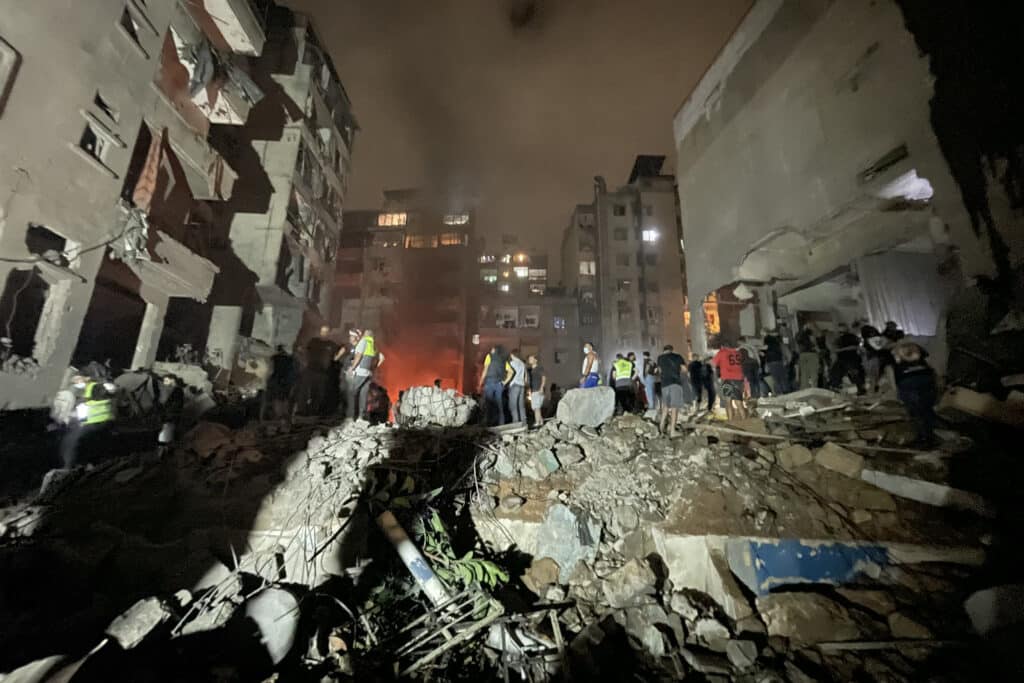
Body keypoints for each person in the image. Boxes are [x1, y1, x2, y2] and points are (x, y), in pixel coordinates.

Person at [60, 373, 117, 468]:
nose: (76, 382)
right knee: (91, 442)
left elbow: (86, 405)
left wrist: (79, 419)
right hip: (104, 420)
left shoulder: (94, 386)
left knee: (70, 441)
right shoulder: (88, 389)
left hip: (97, 420)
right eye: (74, 381)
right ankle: (93, 463)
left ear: (86, 377)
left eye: (78, 379)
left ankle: (68, 468)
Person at [892, 341, 938, 447]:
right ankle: (929, 434)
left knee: (916, 412)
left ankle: (924, 439)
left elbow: (896, 380)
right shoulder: (922, 359)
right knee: (926, 409)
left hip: (908, 382)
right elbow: (933, 373)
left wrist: (899, 395)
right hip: (926, 380)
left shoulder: (898, 358)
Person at [302, 326, 341, 415]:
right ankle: (305, 410)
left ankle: (316, 411)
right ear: (320, 332)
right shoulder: (314, 342)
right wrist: (304, 362)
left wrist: (341, 352)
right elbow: (305, 351)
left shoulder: (331, 344)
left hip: (323, 372)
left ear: (329, 333)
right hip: (311, 370)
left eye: (326, 332)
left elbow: (335, 358)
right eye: (323, 331)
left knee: (319, 393)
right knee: (308, 391)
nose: (324, 333)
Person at [348, 329, 384, 420]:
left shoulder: (363, 342)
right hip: (368, 373)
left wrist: (352, 368)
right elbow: (382, 358)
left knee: (352, 392)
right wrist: (373, 368)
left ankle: (351, 416)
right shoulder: (374, 345)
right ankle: (361, 416)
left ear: (365, 334)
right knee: (363, 395)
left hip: (360, 371)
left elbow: (358, 356)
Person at [479, 345, 513, 426]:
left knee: (489, 404)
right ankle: (501, 423)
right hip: (499, 384)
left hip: (490, 382)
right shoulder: (504, 359)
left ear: (493, 350)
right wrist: (504, 382)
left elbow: (485, 369)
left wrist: (480, 382)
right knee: (499, 405)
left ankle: (488, 423)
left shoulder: (489, 356)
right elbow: (511, 372)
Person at [712, 341, 747, 420]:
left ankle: (730, 421)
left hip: (727, 380)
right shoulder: (737, 353)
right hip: (739, 380)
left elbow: (713, 364)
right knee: (739, 403)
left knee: (728, 402)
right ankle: (745, 421)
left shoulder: (722, 352)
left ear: (723, 346)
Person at [657, 345, 686, 437]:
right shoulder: (677, 357)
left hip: (664, 384)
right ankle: (672, 431)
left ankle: (661, 427)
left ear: (664, 350)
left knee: (665, 406)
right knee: (674, 407)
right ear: (672, 350)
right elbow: (684, 369)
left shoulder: (660, 358)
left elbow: (659, 370)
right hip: (675, 383)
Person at [265, 344, 298, 423]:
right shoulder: (289, 360)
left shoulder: (275, 358)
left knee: (281, 397)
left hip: (279, 382)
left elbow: (271, 371)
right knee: (282, 398)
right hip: (283, 383)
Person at [830, 322, 866, 394]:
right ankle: (836, 388)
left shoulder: (851, 337)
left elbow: (854, 347)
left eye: (842, 329)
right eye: (840, 330)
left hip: (851, 358)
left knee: (854, 374)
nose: (841, 331)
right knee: (835, 373)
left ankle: (860, 389)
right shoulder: (838, 339)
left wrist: (841, 350)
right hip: (842, 359)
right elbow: (834, 349)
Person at [157, 374, 185, 458]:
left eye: (166, 381)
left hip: (170, 418)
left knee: (165, 439)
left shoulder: (177, 390)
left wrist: (165, 413)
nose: (164, 383)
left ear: (172, 380)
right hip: (170, 417)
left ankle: (164, 456)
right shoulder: (175, 390)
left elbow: (175, 405)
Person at [795, 323, 820, 390]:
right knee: (813, 374)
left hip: (802, 355)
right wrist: (818, 350)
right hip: (811, 354)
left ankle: (804, 390)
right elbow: (813, 343)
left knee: (804, 375)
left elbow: (797, 345)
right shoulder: (810, 333)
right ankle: (814, 390)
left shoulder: (798, 335)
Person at [763, 330, 788, 396]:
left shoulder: (767, 338)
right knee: (781, 377)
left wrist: (757, 348)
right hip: (779, 360)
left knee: (775, 378)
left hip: (771, 361)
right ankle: (785, 391)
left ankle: (779, 392)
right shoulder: (778, 340)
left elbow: (766, 347)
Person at [508, 349, 528, 424]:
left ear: (513, 355)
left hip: (515, 385)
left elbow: (509, 374)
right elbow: (526, 375)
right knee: (521, 406)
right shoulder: (523, 364)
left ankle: (516, 423)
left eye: (511, 355)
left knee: (514, 406)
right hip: (522, 386)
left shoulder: (512, 363)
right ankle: (524, 423)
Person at [527, 354, 547, 428]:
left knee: (536, 407)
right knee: (536, 407)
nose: (530, 360)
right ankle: (541, 421)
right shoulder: (530, 370)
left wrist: (541, 387)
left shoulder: (539, 368)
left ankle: (537, 422)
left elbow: (544, 378)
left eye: (531, 358)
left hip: (538, 389)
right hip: (533, 390)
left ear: (536, 360)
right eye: (529, 359)